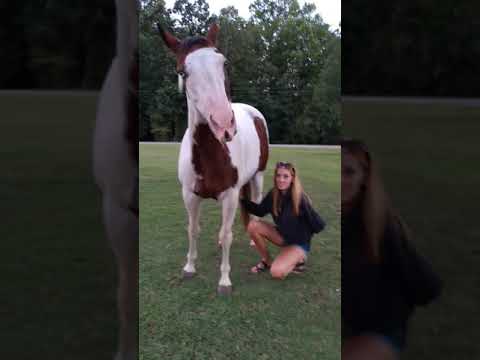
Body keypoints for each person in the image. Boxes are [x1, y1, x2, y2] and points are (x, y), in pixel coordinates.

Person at [341, 139, 442, 360]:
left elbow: (428, 286)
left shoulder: (381, 228)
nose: (341, 180)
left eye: (348, 172)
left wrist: (390, 307)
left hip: (382, 329)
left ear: (364, 179)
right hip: (351, 323)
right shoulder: (339, 219)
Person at [240, 161, 325, 279]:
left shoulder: (300, 198)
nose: (281, 180)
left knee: (277, 273)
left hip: (298, 243)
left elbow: (319, 224)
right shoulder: (273, 194)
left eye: (286, 176)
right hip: (282, 236)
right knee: (253, 225)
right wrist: (242, 200)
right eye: (278, 175)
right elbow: (260, 211)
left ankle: (299, 258)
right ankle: (267, 261)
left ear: (292, 178)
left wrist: (304, 236)